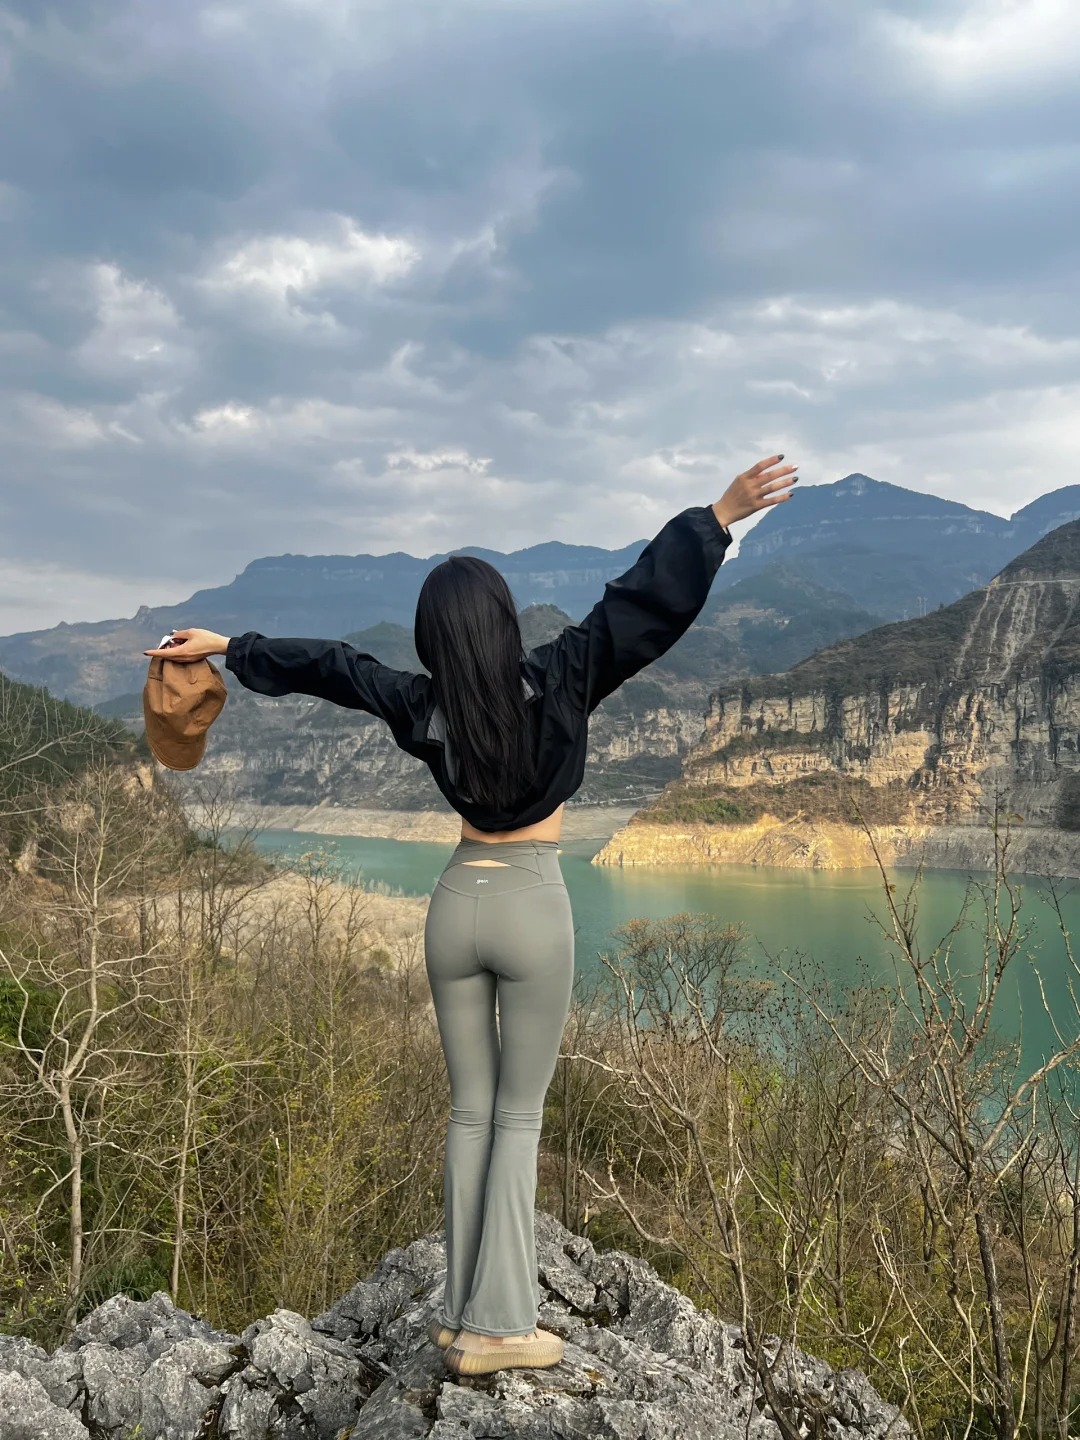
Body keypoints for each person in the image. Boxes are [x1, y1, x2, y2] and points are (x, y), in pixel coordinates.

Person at [144, 454, 798, 1376]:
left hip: (453, 905)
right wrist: (717, 519)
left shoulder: (423, 705)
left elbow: (334, 667)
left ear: (430, 641)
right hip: (532, 903)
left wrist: (222, 647)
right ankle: (501, 1329)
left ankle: (459, 1314)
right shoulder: (562, 675)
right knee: (518, 1119)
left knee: (469, 1112)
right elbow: (640, 610)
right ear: (501, 621)